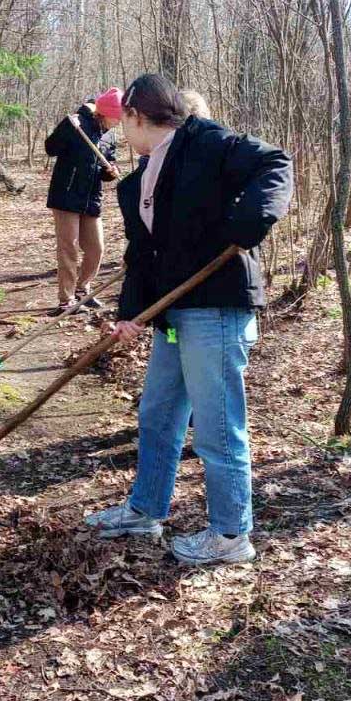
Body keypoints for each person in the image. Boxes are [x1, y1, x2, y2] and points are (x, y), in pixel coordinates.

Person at [84, 74, 293, 566]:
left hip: (216, 309)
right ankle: (145, 509)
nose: (118, 134)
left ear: (138, 117)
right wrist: (130, 315)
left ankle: (230, 535)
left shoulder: (206, 142)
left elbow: (276, 163)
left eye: (122, 123)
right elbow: (145, 251)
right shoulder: (142, 178)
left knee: (218, 428)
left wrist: (250, 223)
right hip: (175, 314)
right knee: (158, 414)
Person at [44, 89, 123, 315]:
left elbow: (107, 163)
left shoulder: (109, 135)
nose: (119, 121)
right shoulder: (77, 124)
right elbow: (50, 148)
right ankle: (66, 300)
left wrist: (110, 171)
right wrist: (65, 127)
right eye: (117, 116)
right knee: (69, 248)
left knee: (96, 248)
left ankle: (83, 290)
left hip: (91, 198)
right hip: (66, 195)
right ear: (105, 113)